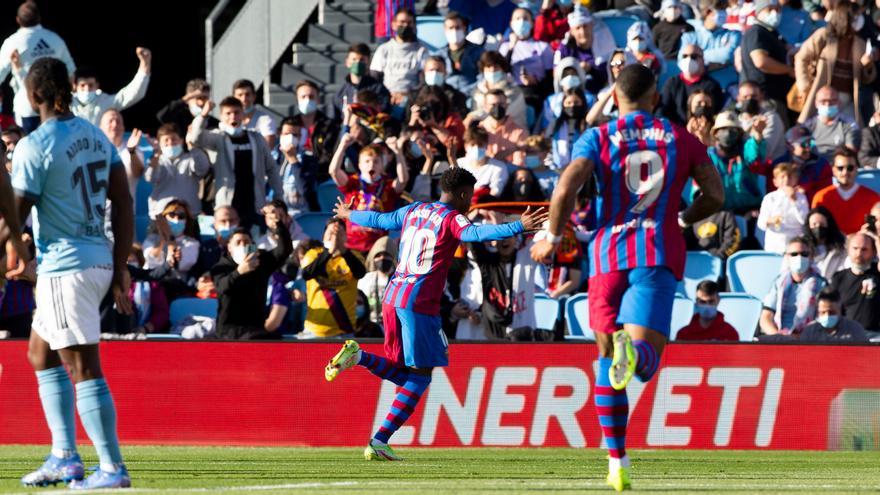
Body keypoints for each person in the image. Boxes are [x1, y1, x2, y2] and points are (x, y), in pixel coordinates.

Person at [529, 64, 725, 491]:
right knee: (641, 365)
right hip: (655, 251)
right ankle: (634, 354)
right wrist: (683, 217)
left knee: (605, 363)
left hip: (604, 257)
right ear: (656, 98)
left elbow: (565, 187)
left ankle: (617, 461)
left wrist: (551, 236)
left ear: (616, 98)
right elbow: (715, 194)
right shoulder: (678, 136)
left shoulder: (599, 136)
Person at [325, 167, 548, 461]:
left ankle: (360, 357)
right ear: (464, 194)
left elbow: (378, 220)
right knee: (421, 376)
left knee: (404, 372)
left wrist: (348, 216)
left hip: (393, 297)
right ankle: (379, 440)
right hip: (419, 303)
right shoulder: (453, 218)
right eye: (469, 198)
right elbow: (477, 233)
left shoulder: (414, 209)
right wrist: (517, 226)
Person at [12, 57, 131, 488]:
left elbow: (17, 212)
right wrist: (119, 268)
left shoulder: (35, 144)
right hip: (95, 257)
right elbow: (125, 199)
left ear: (34, 94)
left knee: (83, 366)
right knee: (39, 354)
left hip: (65, 265)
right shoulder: (96, 134)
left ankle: (112, 467)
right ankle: (64, 456)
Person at [187, 97, 283, 230]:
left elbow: (271, 168)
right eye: (228, 113)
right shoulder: (218, 138)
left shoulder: (256, 138)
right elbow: (196, 137)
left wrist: (279, 197)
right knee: (229, 243)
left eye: (237, 112)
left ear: (243, 114)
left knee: (253, 244)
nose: (233, 117)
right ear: (221, 116)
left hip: (254, 204)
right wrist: (204, 114)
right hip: (228, 206)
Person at [211, 212, 293, 340]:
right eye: (238, 242)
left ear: (253, 246)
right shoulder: (221, 267)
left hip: (255, 329)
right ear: (229, 248)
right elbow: (222, 288)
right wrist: (239, 272)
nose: (243, 245)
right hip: (229, 330)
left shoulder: (261, 261)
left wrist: (278, 225)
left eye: (246, 242)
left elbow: (284, 250)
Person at [794, 2, 875, 125]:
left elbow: (866, 79)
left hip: (847, 100)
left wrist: (867, 66)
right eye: (856, 16)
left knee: (852, 132)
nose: (859, 20)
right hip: (823, 98)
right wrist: (804, 85)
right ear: (844, 17)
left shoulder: (860, 44)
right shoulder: (824, 35)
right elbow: (801, 57)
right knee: (812, 129)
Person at [0, 2, 75, 133]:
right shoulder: (55, 39)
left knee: (29, 148)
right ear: (39, 18)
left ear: (18, 20)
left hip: (28, 107)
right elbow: (72, 73)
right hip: (56, 107)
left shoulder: (12, 43)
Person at [329, 138, 408, 254]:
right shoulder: (353, 183)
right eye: (367, 161)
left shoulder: (387, 185)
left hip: (378, 249)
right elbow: (334, 172)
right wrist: (342, 146)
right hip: (351, 246)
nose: (371, 165)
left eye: (376, 162)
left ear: (383, 165)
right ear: (359, 165)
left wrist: (398, 152)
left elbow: (403, 180)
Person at [300, 218, 367, 339]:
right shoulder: (313, 254)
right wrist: (329, 251)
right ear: (323, 235)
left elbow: (360, 272)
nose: (335, 236)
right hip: (314, 331)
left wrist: (343, 251)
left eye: (340, 233)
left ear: (346, 237)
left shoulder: (354, 256)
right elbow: (307, 274)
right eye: (331, 232)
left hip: (344, 330)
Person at [740, 0, 795, 125]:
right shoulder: (757, 32)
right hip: (766, 100)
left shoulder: (772, 33)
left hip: (775, 98)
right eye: (769, 9)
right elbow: (761, 61)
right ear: (759, 11)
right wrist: (789, 70)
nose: (775, 13)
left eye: (777, 9)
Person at [759, 237, 826, 336]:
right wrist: (778, 336)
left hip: (810, 340)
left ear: (811, 257)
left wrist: (800, 338)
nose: (799, 258)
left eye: (804, 254)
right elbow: (765, 318)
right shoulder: (778, 282)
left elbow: (824, 318)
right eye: (794, 254)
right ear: (786, 257)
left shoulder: (822, 284)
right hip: (779, 339)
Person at [704, 111, 766, 213]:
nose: (728, 133)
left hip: (749, 211)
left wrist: (758, 134)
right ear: (715, 133)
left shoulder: (745, 150)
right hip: (719, 214)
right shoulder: (708, 156)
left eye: (733, 129)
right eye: (723, 129)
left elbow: (756, 152)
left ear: (739, 133)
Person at [71, 48, 151, 126]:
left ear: (97, 85)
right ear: (74, 86)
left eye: (90, 85)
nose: (87, 89)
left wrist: (145, 64)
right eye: (82, 85)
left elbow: (131, 94)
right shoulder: (67, 103)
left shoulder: (105, 102)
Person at [144, 123, 210, 218]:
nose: (170, 143)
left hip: (189, 214)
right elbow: (150, 178)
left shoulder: (191, 158)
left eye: (174, 139)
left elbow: (202, 169)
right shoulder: (156, 160)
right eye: (166, 140)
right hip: (161, 214)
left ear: (182, 141)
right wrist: (156, 155)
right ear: (159, 143)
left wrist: (192, 145)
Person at [812, 148, 880, 234]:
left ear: (856, 169)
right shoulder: (821, 197)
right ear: (833, 170)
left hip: (861, 245)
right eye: (840, 168)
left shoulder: (873, 198)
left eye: (850, 168)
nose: (845, 172)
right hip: (831, 245)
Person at [498, 7, 555, 111]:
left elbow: (550, 79)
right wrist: (511, 48)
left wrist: (535, 81)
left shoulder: (543, 47)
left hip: (536, 93)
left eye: (525, 18)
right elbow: (501, 71)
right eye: (517, 18)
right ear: (511, 23)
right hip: (512, 94)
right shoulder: (505, 47)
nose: (521, 22)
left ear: (532, 23)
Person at [370, 8, 428, 101]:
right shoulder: (383, 50)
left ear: (414, 25)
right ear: (393, 24)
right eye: (402, 22)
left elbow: (423, 82)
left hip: (411, 99)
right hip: (385, 98)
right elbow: (374, 79)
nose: (405, 25)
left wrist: (406, 96)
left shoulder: (422, 51)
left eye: (409, 23)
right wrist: (387, 95)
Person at [659, 44, 723, 126]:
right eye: (685, 56)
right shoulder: (672, 83)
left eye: (694, 56)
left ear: (703, 60)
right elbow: (661, 110)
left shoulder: (712, 86)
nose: (688, 60)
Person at [828, 232, 880, 331]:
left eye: (864, 249)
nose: (859, 254)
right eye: (855, 248)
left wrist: (877, 241)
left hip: (876, 336)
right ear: (848, 250)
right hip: (848, 337)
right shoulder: (838, 278)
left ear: (873, 252)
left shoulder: (877, 273)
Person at [757, 163, 810, 254]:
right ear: (775, 181)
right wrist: (770, 220)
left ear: (795, 180)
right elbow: (761, 224)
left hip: (795, 243)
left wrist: (794, 200)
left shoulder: (801, 197)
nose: (786, 180)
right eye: (782, 177)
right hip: (774, 244)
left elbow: (804, 220)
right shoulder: (769, 198)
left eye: (789, 177)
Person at [294, 80, 340, 183]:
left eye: (311, 97)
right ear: (297, 99)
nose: (307, 100)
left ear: (318, 99)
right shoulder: (290, 125)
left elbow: (328, 154)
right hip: (294, 175)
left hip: (320, 177)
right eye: (303, 97)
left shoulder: (329, 126)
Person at [469, 51, 529, 130]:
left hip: (513, 133)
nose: (492, 70)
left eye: (496, 67)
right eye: (488, 66)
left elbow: (498, 113)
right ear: (483, 69)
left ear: (503, 69)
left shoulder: (514, 90)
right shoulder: (477, 91)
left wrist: (472, 116)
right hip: (485, 133)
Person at [142, 200, 201, 281]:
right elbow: (151, 261)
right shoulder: (151, 239)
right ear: (163, 218)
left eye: (181, 216)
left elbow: (175, 264)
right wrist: (163, 239)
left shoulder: (192, 243)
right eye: (172, 214)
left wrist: (169, 237)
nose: (176, 219)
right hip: (152, 284)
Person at [732, 81, 786, 161]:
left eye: (754, 96)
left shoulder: (771, 117)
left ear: (761, 96)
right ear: (738, 98)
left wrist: (758, 134)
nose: (749, 100)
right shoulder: (735, 120)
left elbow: (766, 153)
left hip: (773, 166)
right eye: (745, 97)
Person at [802, 86, 861, 160]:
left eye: (832, 101)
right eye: (823, 101)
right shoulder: (807, 126)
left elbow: (850, 152)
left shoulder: (850, 124)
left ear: (839, 103)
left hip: (837, 167)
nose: (827, 104)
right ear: (816, 103)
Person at [679, 0, 742, 69]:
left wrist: (695, 56)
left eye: (724, 9)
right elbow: (682, 60)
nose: (723, 13)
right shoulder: (689, 36)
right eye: (719, 9)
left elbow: (728, 55)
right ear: (708, 12)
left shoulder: (734, 35)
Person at [452, 126, 509, 202]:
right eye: (472, 145)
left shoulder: (499, 167)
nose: (476, 148)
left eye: (480, 145)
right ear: (466, 146)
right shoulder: (458, 163)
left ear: (486, 145)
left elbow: (495, 194)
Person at [99, 109, 144, 203]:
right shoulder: (92, 151)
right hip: (97, 214)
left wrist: (132, 151)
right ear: (100, 127)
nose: (115, 125)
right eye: (110, 121)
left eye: (118, 122)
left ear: (123, 127)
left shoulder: (133, 150)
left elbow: (138, 173)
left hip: (124, 214)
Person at [334, 43, 390, 117]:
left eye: (362, 59)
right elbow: (335, 119)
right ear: (347, 62)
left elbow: (384, 112)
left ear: (368, 62)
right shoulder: (341, 93)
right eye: (354, 59)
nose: (357, 63)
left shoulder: (378, 89)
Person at [781, 125, 832, 202]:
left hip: (813, 210)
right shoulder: (779, 165)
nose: (808, 148)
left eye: (810, 143)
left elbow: (826, 194)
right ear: (791, 147)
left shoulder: (822, 164)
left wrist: (804, 194)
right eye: (804, 144)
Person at [477, 89, 527, 166]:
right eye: (493, 105)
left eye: (501, 104)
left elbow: (519, 164)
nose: (497, 108)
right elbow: (474, 160)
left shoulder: (519, 132)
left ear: (507, 105)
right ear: (485, 107)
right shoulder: (478, 130)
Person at [676, 280, 740, 341]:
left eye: (711, 301)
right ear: (696, 302)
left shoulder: (729, 334)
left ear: (718, 300)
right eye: (702, 302)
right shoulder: (683, 335)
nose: (707, 306)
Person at [799, 287, 870, 342]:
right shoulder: (810, 331)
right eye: (823, 312)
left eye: (832, 312)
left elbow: (865, 355)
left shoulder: (855, 329)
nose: (827, 316)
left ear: (840, 310)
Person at [358, 236, 399, 328]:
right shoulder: (365, 280)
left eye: (386, 255)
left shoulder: (400, 280)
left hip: (394, 327)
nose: (382, 258)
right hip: (371, 329)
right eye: (378, 255)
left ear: (393, 257)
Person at [438, 11, 484, 93]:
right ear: (445, 30)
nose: (454, 31)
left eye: (457, 27)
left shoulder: (478, 52)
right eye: (450, 28)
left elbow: (483, 76)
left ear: (464, 28)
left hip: (472, 94)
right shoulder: (440, 54)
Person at [277, 116, 314, 214]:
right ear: (279, 134)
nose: (290, 138)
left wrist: (293, 159)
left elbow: (305, 190)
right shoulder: (272, 157)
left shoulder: (309, 158)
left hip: (301, 214)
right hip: (276, 214)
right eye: (286, 134)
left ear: (301, 137)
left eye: (295, 135)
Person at [546, 89, 589, 169]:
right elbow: (548, 145)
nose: (572, 106)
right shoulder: (555, 124)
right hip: (559, 168)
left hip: (583, 167)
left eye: (576, 103)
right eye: (568, 103)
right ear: (563, 104)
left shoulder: (588, 123)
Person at [803, 206, 848, 279]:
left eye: (822, 224)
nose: (818, 227)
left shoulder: (842, 246)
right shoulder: (801, 247)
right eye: (814, 224)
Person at [232, 79, 277, 148]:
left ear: (254, 96)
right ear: (233, 98)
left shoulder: (266, 120)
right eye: (240, 95)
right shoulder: (228, 120)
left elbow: (268, 148)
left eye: (247, 94)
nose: (244, 99)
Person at [447, 0, 518, 38]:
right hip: (475, 50)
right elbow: (453, 11)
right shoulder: (474, 3)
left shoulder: (512, 9)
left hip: (500, 53)